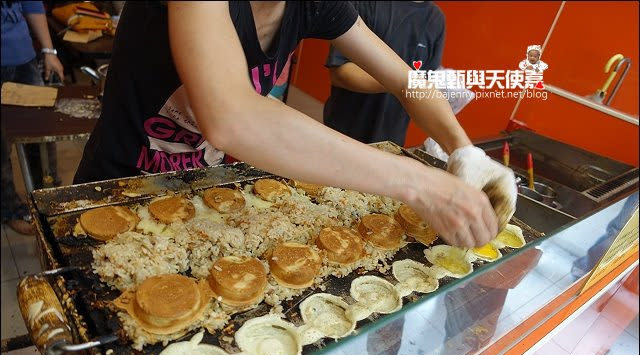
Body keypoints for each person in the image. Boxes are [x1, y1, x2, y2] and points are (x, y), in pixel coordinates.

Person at [74, 1, 516, 249]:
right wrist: (422, 185)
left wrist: (464, 151)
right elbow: (232, 116)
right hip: (120, 191)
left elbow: (406, 81)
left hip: (208, 196)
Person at [323, 1, 445, 146]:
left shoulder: (436, 19)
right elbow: (340, 72)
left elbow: (425, 81)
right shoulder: (365, 4)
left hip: (391, 140)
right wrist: (403, 83)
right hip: (344, 131)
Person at [1, 0, 64, 234]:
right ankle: (9, 209)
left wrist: (48, 51)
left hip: (23, 59)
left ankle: (48, 197)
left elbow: (31, 3)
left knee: (42, 134)